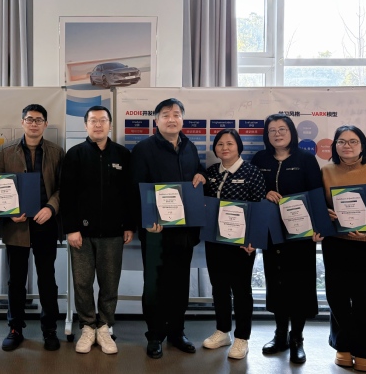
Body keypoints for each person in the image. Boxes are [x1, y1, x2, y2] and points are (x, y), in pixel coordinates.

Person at [0, 104, 65, 352]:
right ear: (22, 122)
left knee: (47, 279)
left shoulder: (56, 152)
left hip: (45, 223)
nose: (33, 124)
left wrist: (51, 207)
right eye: (29, 119)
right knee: (16, 280)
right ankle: (15, 328)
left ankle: (49, 329)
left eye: (38, 120)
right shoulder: (6, 152)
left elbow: (63, 187)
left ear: (45, 124)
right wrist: (9, 213)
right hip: (16, 226)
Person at [131, 98, 206, 360]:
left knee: (180, 284)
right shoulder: (143, 149)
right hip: (156, 231)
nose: (171, 119)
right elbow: (136, 188)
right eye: (165, 115)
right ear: (156, 120)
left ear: (182, 119)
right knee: (155, 285)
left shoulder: (189, 147)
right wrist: (147, 220)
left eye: (176, 114)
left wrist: (201, 174)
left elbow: (196, 172)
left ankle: (176, 332)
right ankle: (154, 336)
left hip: (185, 231)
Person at [60, 106, 134, 355]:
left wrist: (129, 225)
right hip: (81, 233)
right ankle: (87, 326)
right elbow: (67, 194)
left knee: (109, 283)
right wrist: (71, 228)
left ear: (110, 124)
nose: (98, 124)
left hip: (113, 233)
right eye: (93, 120)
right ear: (86, 125)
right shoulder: (75, 154)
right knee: (82, 282)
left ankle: (104, 327)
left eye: (103, 120)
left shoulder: (122, 154)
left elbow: (129, 193)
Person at [319, 125, 366, 373]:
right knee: (336, 298)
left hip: (365, 245)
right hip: (335, 244)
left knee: (362, 300)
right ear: (335, 146)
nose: (347, 146)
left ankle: (362, 351)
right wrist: (325, 213)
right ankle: (343, 346)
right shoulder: (326, 171)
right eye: (341, 141)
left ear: (362, 145)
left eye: (353, 141)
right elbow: (319, 205)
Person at [251, 114, 323, 364]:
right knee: (277, 282)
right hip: (272, 232)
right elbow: (251, 191)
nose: (277, 134)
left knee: (300, 284)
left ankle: (297, 339)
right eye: (272, 130)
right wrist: (264, 192)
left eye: (282, 129)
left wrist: (319, 227)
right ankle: (280, 335)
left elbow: (316, 194)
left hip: (301, 233)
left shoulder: (306, 159)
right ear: (267, 135)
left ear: (292, 132)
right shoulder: (259, 159)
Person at [201, 129, 265, 360]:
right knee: (218, 286)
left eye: (230, 143)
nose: (225, 148)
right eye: (220, 144)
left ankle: (242, 337)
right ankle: (223, 331)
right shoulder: (211, 172)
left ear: (238, 146)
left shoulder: (252, 172)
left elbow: (259, 207)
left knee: (241, 289)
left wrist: (254, 239)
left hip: (241, 243)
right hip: (214, 240)